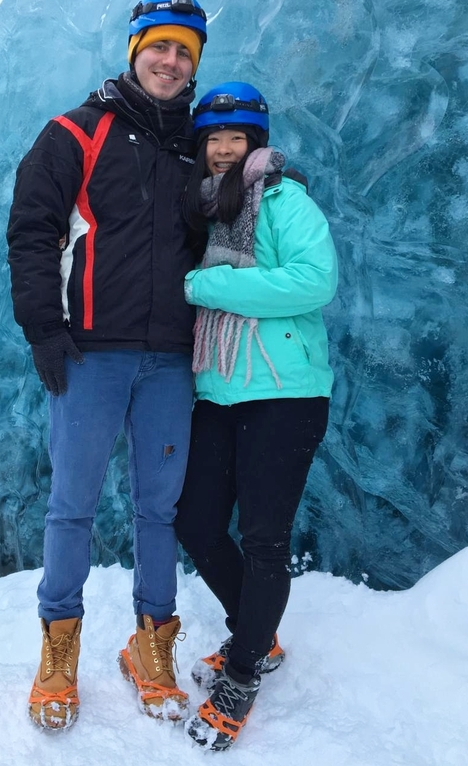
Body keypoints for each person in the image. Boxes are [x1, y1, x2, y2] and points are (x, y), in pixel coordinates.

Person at [6, 0, 208, 730]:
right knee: (74, 507)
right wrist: (45, 331)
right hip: (90, 354)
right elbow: (31, 230)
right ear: (135, 50)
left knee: (160, 508)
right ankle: (59, 649)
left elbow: (236, 210)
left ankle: (150, 642)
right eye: (160, 46)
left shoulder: (198, 144)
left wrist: (271, 177)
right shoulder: (74, 133)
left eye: (184, 52)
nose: (170, 61)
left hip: (169, 360)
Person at [174, 82, 338, 751]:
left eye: (234, 138)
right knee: (198, 523)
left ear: (256, 143)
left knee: (266, 539)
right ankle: (258, 638)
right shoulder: (207, 212)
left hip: (286, 392)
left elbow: (313, 280)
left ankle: (243, 673)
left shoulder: (284, 198)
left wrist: (205, 284)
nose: (221, 149)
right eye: (212, 138)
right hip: (219, 391)